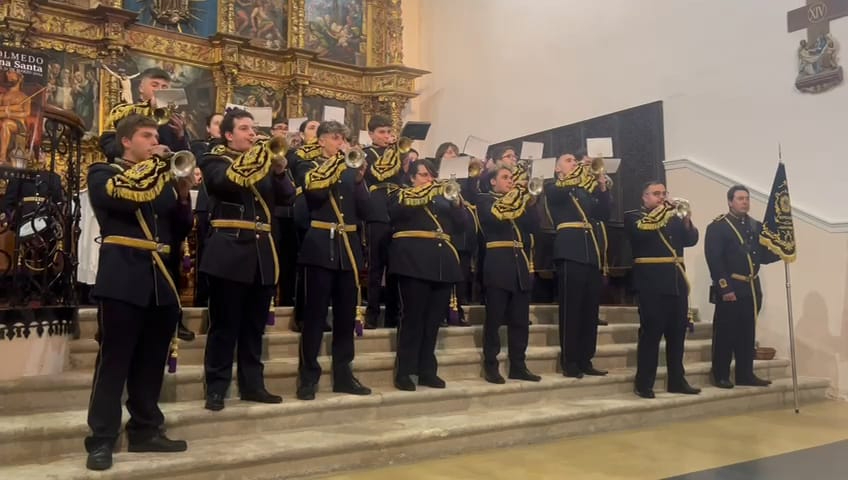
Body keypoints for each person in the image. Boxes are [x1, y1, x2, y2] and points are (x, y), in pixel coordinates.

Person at [84, 114, 192, 471]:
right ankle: (101, 439)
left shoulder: (162, 182)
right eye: (146, 136)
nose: (154, 142)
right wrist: (160, 171)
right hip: (122, 275)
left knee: (150, 362)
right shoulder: (103, 172)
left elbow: (180, 230)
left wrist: (180, 193)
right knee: (114, 362)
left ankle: (146, 429)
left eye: (155, 136)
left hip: (160, 279)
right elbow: (120, 202)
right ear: (126, 141)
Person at [199, 109, 295, 411]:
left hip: (261, 254)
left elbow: (288, 197)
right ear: (228, 135)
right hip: (228, 251)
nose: (253, 134)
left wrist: (279, 170)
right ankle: (216, 386)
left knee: (254, 328)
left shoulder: (266, 164)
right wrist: (262, 160)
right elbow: (226, 183)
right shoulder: (214, 159)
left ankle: (253, 384)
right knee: (224, 326)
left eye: (254, 129)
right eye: (244, 129)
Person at [295, 120, 371, 400]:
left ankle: (343, 375)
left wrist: (361, 180)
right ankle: (308, 377)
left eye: (343, 138)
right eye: (336, 138)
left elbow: (366, 210)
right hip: (319, 246)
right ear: (322, 140)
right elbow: (313, 196)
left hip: (347, 250)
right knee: (315, 317)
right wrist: (339, 166)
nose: (341, 143)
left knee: (344, 317)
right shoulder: (308, 166)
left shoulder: (352, 172)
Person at [389, 159, 469, 391]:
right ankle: (405, 370)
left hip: (441, 263)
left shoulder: (444, 199)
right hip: (413, 262)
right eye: (423, 175)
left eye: (430, 175)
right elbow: (394, 213)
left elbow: (463, 226)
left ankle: (426, 370)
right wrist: (423, 192)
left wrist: (456, 203)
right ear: (412, 178)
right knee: (412, 319)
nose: (428, 179)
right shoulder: (401, 194)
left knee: (433, 321)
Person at [625, 181, 701, 399]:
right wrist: (662, 212)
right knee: (651, 335)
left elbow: (691, 240)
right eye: (656, 194)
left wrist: (686, 219)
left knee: (677, 336)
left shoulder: (674, 218)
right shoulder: (634, 217)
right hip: (651, 284)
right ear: (644, 197)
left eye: (663, 193)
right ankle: (644, 383)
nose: (661, 197)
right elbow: (640, 235)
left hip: (676, 283)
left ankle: (677, 380)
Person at [705, 185, 781, 388]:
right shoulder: (718, 227)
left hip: (751, 287)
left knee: (747, 334)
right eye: (740, 198)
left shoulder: (755, 226)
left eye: (747, 198)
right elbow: (715, 260)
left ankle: (745, 374)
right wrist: (725, 288)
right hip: (731, 286)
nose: (745, 202)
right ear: (730, 201)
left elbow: (762, 256)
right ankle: (720, 374)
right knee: (725, 333)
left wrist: (782, 250)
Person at [543, 153, 610, 378]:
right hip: (569, 250)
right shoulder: (553, 187)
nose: (574, 163)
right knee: (571, 310)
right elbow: (559, 194)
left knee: (590, 310)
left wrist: (601, 187)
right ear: (557, 168)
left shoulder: (584, 189)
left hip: (590, 251)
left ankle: (585, 358)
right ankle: (569, 360)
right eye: (569, 160)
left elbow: (603, 214)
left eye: (575, 160)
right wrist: (580, 172)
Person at [477, 165, 541, 383]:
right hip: (497, 264)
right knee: (494, 320)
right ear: (493, 182)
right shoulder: (485, 200)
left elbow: (534, 226)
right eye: (505, 177)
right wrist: (517, 196)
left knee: (520, 321)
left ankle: (518, 365)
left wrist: (530, 201)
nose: (510, 181)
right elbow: (495, 218)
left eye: (511, 177)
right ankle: (491, 365)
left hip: (519, 264)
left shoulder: (518, 201)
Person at [362, 115, 402, 329]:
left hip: (396, 208)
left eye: (388, 132)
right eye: (381, 132)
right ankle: (372, 313)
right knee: (376, 267)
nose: (386, 136)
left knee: (395, 266)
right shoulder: (366, 154)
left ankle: (393, 315)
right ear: (371, 134)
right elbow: (372, 176)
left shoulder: (398, 153)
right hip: (377, 208)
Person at [99, 68, 190, 161]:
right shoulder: (123, 111)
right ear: (141, 88)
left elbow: (184, 158)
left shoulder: (174, 119)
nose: (159, 90)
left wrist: (180, 137)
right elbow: (108, 146)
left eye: (164, 87)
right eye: (154, 85)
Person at [189, 113, 222, 308]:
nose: (220, 126)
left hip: (226, 210)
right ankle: (201, 299)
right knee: (204, 254)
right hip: (206, 206)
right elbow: (202, 160)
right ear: (208, 128)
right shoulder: (200, 146)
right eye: (217, 123)